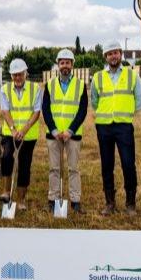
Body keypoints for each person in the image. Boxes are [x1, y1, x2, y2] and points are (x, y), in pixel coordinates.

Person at [91, 42, 141, 215]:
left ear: (120, 54)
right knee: (107, 165)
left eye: (116, 53)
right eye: (109, 53)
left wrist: (125, 112)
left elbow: (139, 101)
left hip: (123, 126)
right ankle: (110, 203)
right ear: (105, 57)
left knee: (128, 164)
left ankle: (130, 203)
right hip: (104, 127)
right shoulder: (98, 77)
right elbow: (94, 101)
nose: (113, 56)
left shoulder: (131, 75)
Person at [42, 49, 88, 213]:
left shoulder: (81, 85)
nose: (65, 66)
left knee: (73, 169)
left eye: (68, 63)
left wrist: (70, 130)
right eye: (62, 63)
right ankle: (53, 199)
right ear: (58, 65)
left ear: (72, 65)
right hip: (53, 135)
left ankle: (75, 201)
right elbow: (46, 110)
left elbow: (82, 111)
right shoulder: (50, 85)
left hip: (72, 135)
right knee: (54, 168)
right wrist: (54, 130)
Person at [0, 58, 42, 210]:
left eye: (20, 74)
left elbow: (36, 112)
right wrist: (14, 129)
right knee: (6, 157)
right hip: (10, 132)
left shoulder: (35, 89)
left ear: (25, 73)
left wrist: (24, 130)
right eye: (14, 75)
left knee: (24, 165)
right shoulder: (5, 89)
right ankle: (6, 192)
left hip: (28, 134)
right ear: (11, 76)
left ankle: (21, 199)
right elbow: (5, 110)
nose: (17, 78)